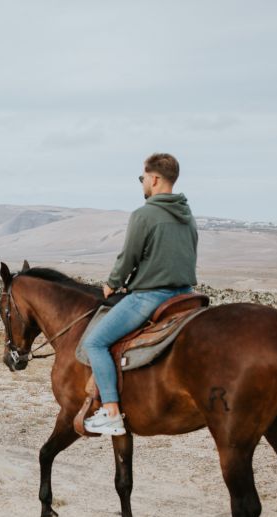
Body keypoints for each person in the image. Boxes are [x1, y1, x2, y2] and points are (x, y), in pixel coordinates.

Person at [82, 153, 198, 436]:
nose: (142, 183)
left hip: (151, 296)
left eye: (143, 178)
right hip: (186, 295)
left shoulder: (144, 214)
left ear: (154, 179)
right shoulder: (187, 215)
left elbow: (129, 256)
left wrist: (112, 282)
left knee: (95, 343)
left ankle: (110, 412)